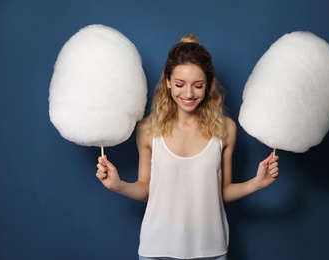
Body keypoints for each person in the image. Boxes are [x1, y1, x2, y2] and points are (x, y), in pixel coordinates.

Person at [96, 34, 279, 260]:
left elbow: (220, 191)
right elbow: (147, 189)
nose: (189, 94)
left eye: (198, 85)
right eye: (180, 84)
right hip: (157, 249)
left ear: (209, 84)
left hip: (210, 249)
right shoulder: (147, 129)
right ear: (168, 82)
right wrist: (117, 185)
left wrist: (257, 183)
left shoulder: (226, 128)